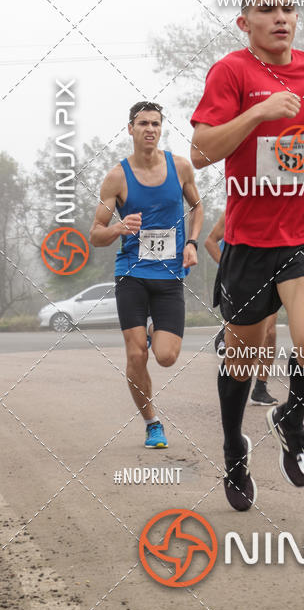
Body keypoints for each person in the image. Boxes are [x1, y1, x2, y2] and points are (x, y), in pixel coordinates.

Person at [190, 0, 304, 511]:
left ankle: (290, 419)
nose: (281, 17)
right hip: (249, 242)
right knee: (241, 360)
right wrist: (258, 111)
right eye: (267, 9)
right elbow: (202, 151)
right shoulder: (231, 71)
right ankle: (234, 448)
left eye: (288, 8)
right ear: (245, 22)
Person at [90, 101, 203, 449]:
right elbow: (95, 234)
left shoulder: (180, 167)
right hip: (132, 274)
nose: (150, 129)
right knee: (136, 355)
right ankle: (152, 423)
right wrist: (119, 227)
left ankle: (154, 330)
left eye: (155, 123)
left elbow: (197, 207)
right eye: (143, 124)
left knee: (166, 357)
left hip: (170, 276)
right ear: (131, 129)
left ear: (161, 128)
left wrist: (192, 242)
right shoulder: (117, 177)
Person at [205, 211, 278, 406]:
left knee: (270, 333)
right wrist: (228, 269)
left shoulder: (277, 212)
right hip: (239, 281)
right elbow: (210, 242)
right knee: (242, 347)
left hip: (268, 278)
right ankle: (231, 385)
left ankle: (260, 388)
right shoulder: (235, 211)